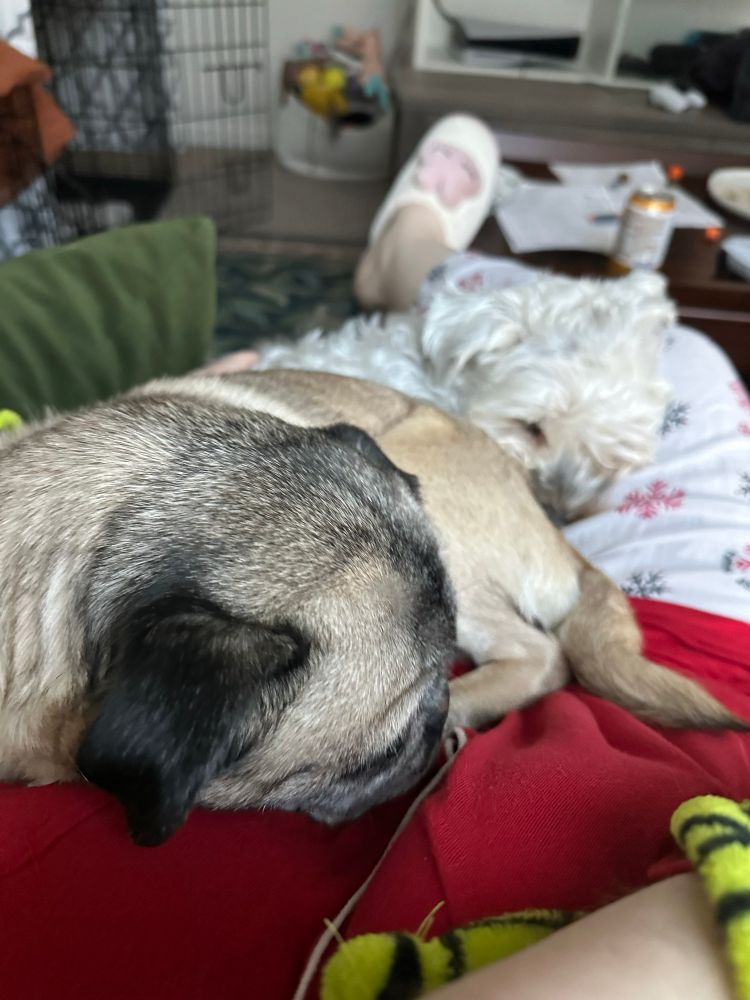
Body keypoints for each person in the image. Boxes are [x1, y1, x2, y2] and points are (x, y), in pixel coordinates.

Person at [207, 115, 750, 998]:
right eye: (535, 434)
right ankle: (419, 262)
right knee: (670, 346)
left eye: (595, 468)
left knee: (608, 344)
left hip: (597, 620)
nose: (566, 493)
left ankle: (411, 257)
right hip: (696, 637)